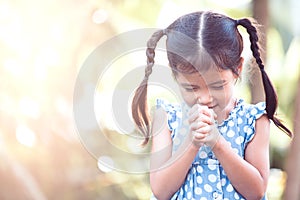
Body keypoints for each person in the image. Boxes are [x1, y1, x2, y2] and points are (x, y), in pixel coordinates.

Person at [131, 11, 292, 200]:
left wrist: (218, 143)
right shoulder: (167, 118)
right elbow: (161, 190)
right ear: (175, 75)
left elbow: (256, 191)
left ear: (237, 69)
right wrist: (192, 142)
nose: (205, 98)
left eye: (217, 85)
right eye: (191, 88)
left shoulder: (253, 120)